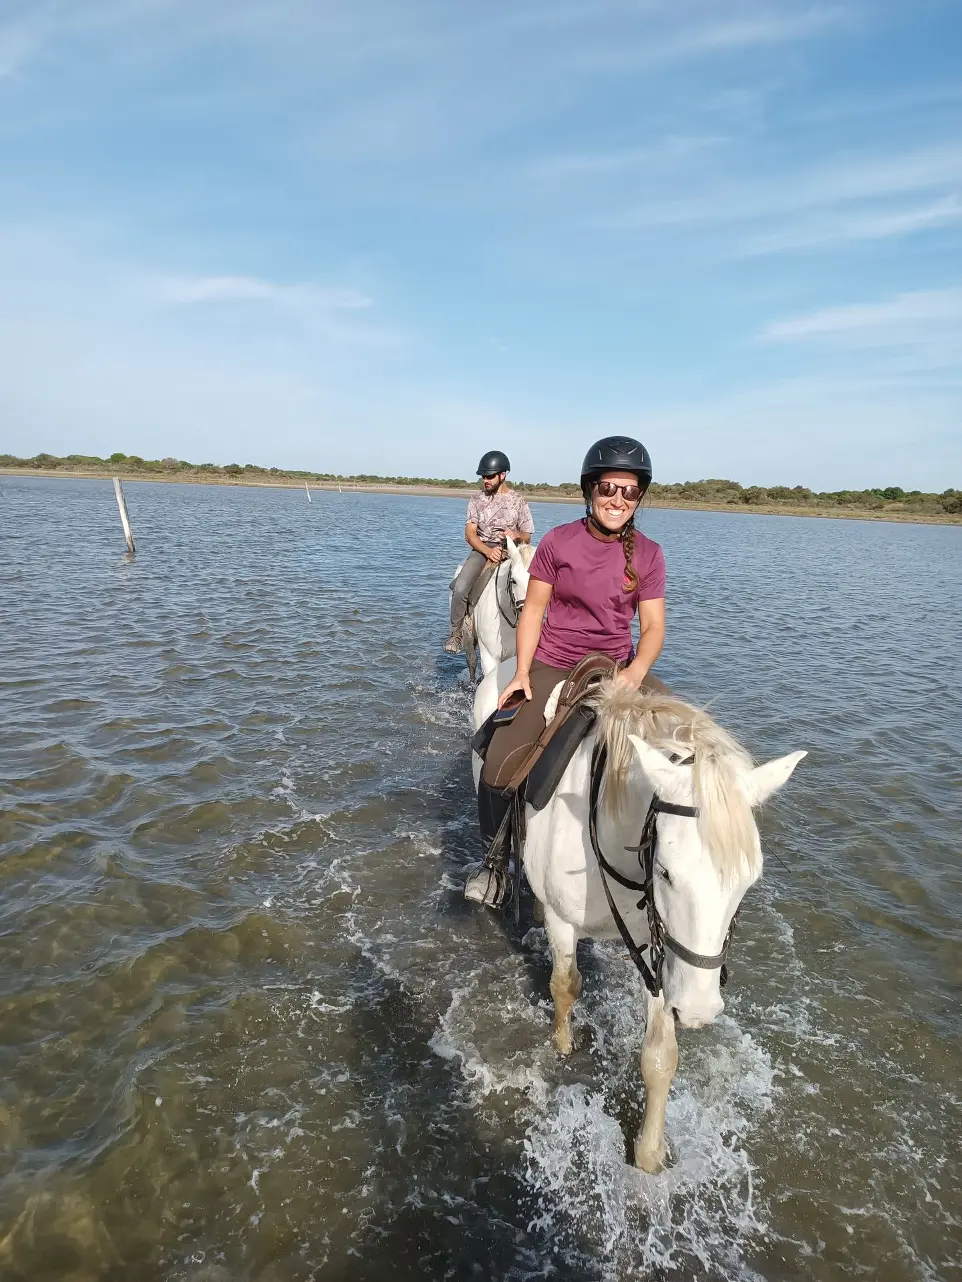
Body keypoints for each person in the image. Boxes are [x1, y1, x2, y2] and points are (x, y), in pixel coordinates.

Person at [464, 435, 667, 907]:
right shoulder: (558, 541)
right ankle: (496, 865)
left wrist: (635, 673)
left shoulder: (650, 554)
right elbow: (533, 610)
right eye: (608, 488)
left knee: (688, 745)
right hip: (557, 662)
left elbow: (653, 626)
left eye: (629, 491)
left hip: (618, 665)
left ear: (640, 497)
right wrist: (521, 673)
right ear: (590, 489)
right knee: (497, 766)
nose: (618, 499)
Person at [444, 450, 535, 654]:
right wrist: (487, 551)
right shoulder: (476, 499)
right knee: (460, 588)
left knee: (534, 585)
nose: (485, 480)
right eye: (483, 476)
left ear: (502, 475)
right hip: (483, 549)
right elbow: (469, 534)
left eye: (489, 476)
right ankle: (456, 634)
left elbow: (527, 536)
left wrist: (517, 534)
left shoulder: (519, 501)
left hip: (512, 550)